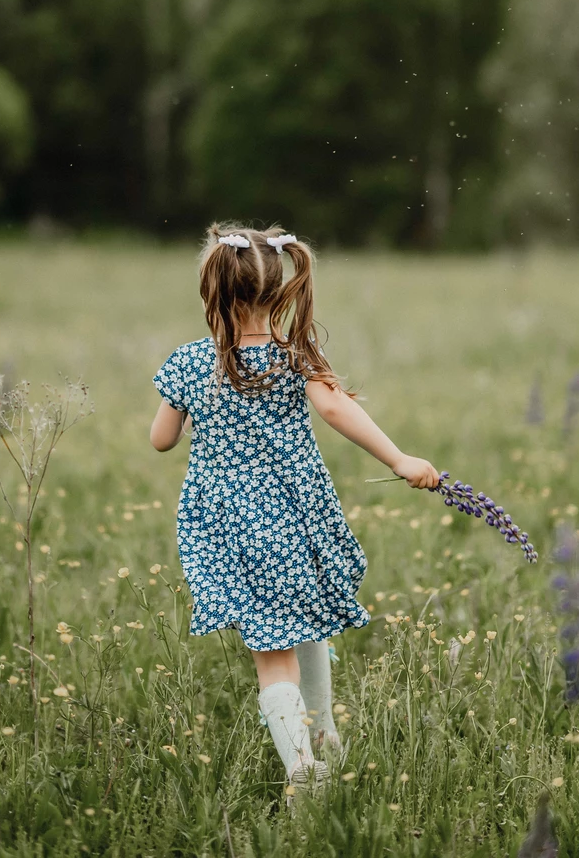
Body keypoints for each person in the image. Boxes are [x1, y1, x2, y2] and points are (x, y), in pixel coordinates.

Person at [150, 223, 439, 802]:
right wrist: (401, 457)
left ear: (212, 289)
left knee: (273, 654)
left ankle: (307, 768)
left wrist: (188, 413)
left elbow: (160, 440)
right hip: (295, 515)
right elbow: (335, 410)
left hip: (228, 525)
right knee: (304, 622)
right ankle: (322, 746)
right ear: (280, 291)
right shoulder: (297, 355)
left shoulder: (188, 363)